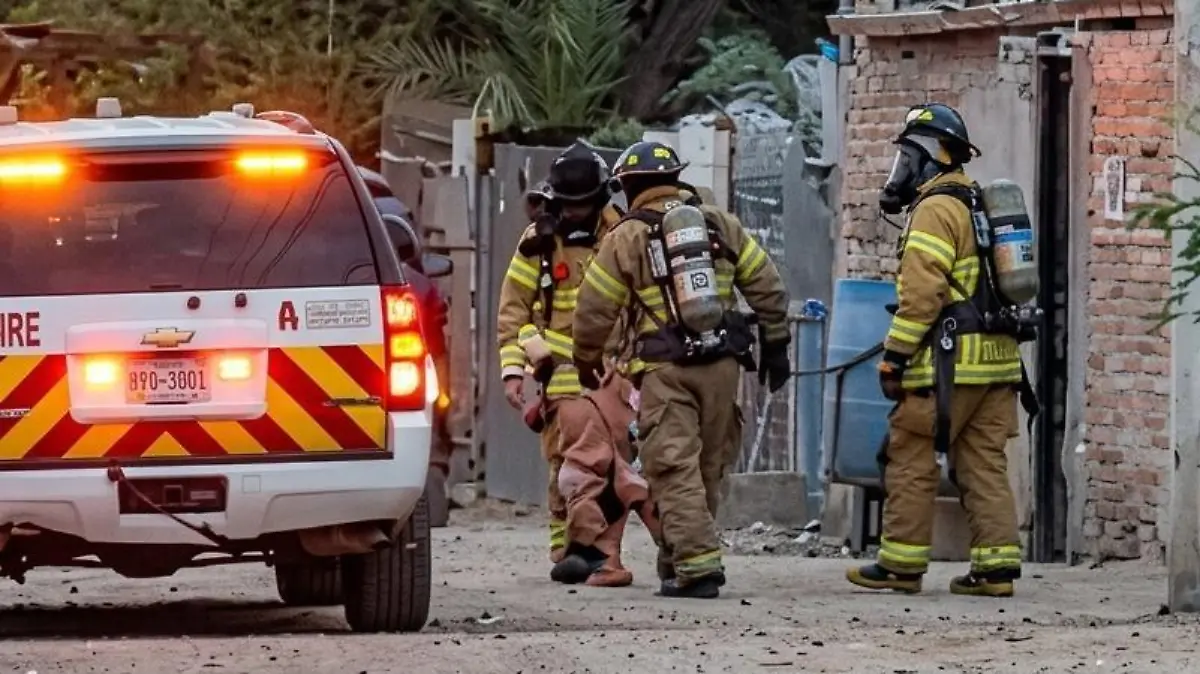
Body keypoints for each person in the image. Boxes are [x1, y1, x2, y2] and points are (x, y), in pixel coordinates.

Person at [571, 140, 792, 599]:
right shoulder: (720, 224)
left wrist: (586, 359)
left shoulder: (626, 237)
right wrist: (776, 344)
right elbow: (767, 284)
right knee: (706, 465)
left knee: (673, 467)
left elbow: (594, 309)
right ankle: (677, 559)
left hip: (665, 369)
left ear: (628, 187)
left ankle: (696, 568)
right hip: (724, 364)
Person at [845, 103, 1029, 598]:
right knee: (984, 464)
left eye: (905, 158)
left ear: (926, 158)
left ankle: (901, 565)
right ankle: (996, 570)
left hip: (946, 369)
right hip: (998, 365)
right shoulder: (977, 201)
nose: (899, 171)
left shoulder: (934, 209)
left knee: (909, 457)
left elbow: (922, 296)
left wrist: (895, 358)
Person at [495, 141, 649, 585]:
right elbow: (514, 312)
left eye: (584, 205)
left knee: (610, 462)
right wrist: (512, 372)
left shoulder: (623, 235)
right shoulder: (538, 243)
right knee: (565, 464)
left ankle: (591, 549)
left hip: (615, 372)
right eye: (570, 205)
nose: (576, 214)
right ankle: (568, 547)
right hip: (559, 375)